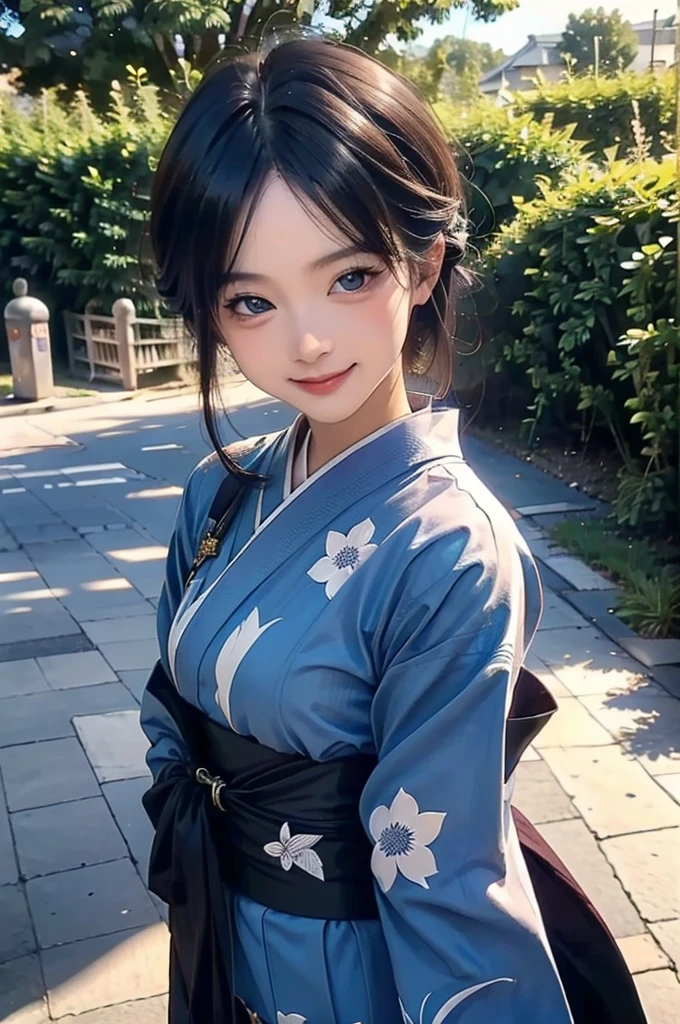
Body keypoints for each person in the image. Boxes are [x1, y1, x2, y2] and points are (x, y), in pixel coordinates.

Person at [140, 34, 646, 1024]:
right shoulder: (217, 498)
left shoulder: (449, 551)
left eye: (348, 275)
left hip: (352, 976)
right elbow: (169, 718)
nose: (308, 338)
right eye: (251, 299)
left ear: (419, 265)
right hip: (220, 942)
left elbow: (444, 868)